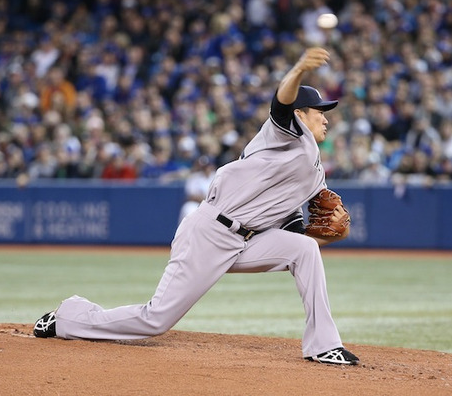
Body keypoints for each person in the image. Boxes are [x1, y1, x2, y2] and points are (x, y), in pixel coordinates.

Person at [33, 47, 360, 366]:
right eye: (319, 112)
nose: (325, 118)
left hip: (248, 241)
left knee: (305, 250)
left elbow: (293, 232)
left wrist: (325, 238)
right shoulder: (287, 135)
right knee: (156, 320)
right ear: (301, 116)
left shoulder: (314, 172)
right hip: (210, 233)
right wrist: (300, 68)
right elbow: (281, 102)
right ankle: (69, 318)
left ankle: (323, 346)